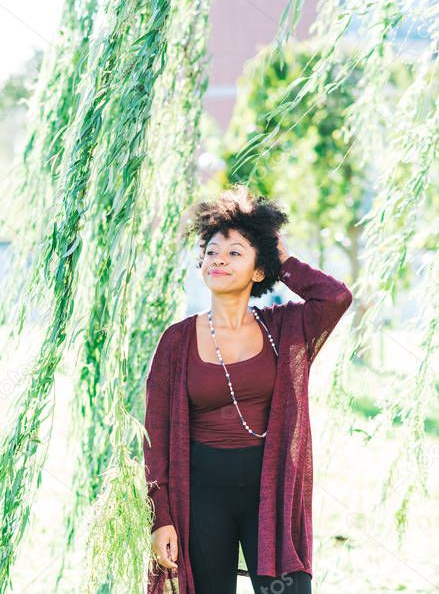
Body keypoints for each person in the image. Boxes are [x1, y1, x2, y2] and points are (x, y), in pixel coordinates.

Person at [144, 186, 354, 594]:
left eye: (235, 251)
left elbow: (335, 297)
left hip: (270, 491)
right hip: (200, 496)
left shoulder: (284, 328)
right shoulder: (176, 341)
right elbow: (155, 440)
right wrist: (161, 517)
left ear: (260, 271)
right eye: (212, 251)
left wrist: (284, 257)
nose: (219, 258)